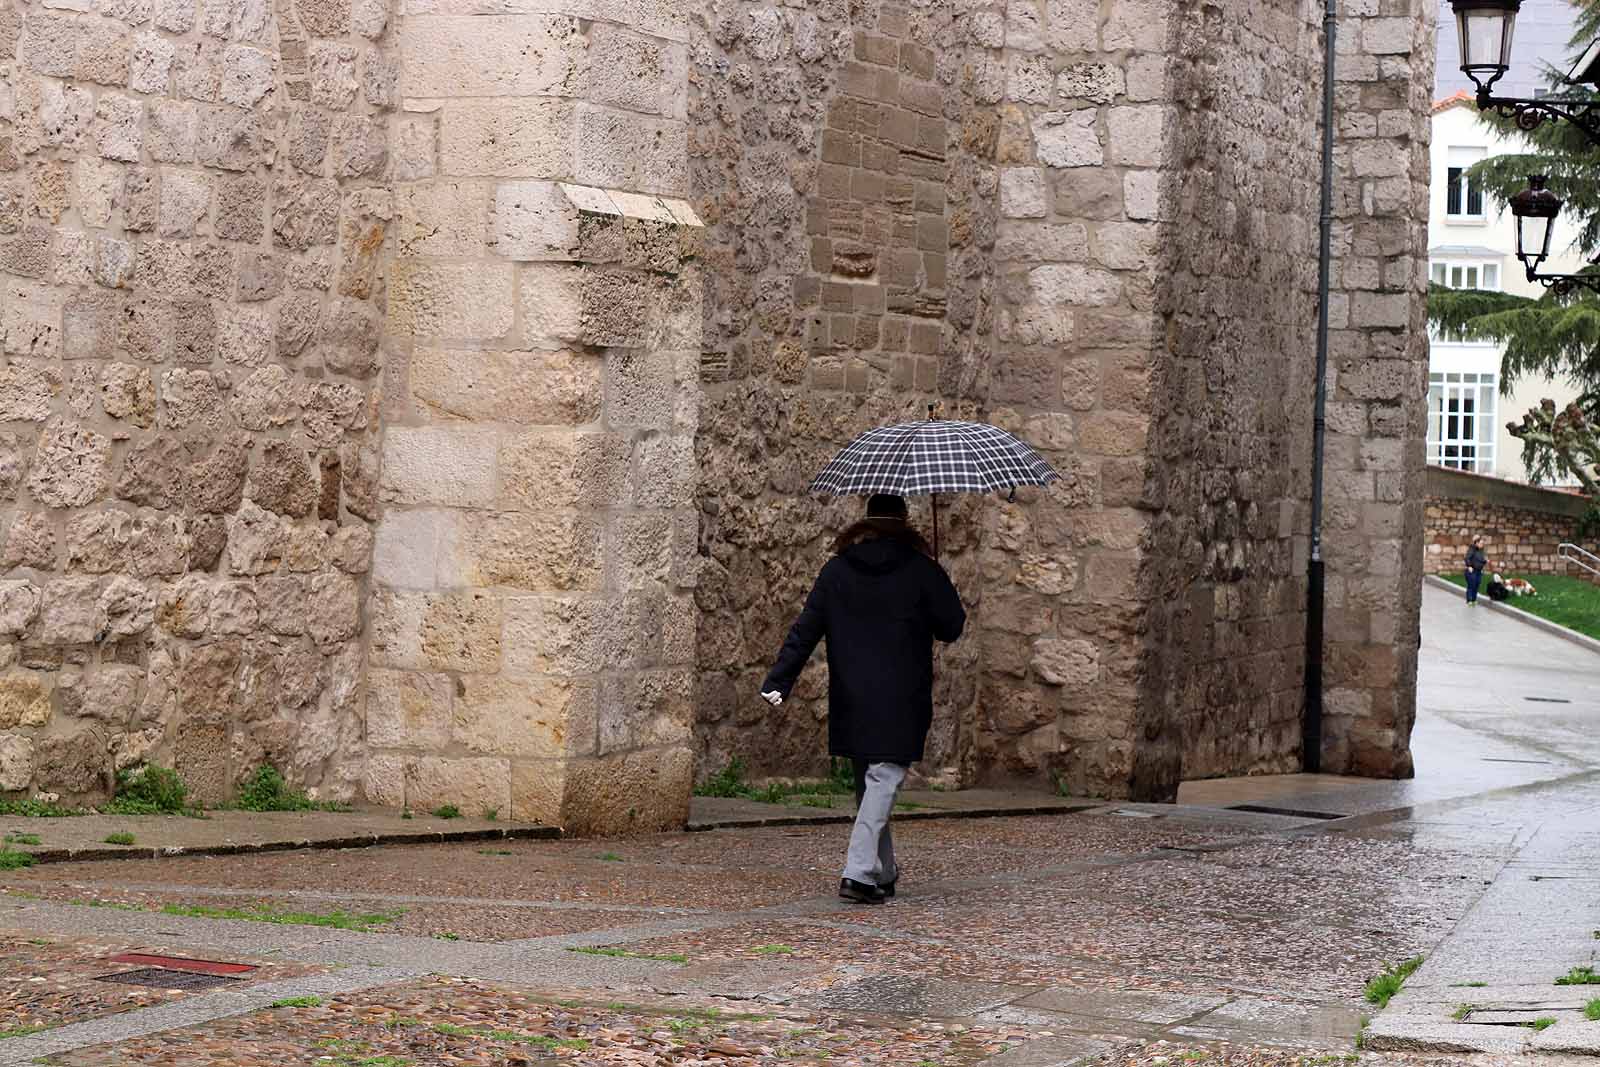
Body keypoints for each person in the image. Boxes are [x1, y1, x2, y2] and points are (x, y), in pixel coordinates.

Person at [759, 494, 966, 905]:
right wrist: (937, 580)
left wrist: (779, 681)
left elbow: (805, 631)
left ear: (865, 523)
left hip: (852, 695)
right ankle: (857, 873)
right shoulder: (922, 571)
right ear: (905, 523)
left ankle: (882, 871)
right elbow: (951, 627)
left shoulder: (836, 571)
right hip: (901, 695)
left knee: (871, 787)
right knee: (882, 782)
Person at [1465, 536, 1488, 606]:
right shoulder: (1472, 549)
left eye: (1483, 544)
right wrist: (1469, 566)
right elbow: (1467, 558)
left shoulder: (1481, 551)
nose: (1482, 545)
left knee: (1476, 585)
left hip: (1479, 571)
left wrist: (1485, 561)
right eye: (1481, 543)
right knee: (1471, 585)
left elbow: (1481, 560)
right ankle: (1469, 600)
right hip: (1472, 571)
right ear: (1476, 543)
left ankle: (1474, 600)